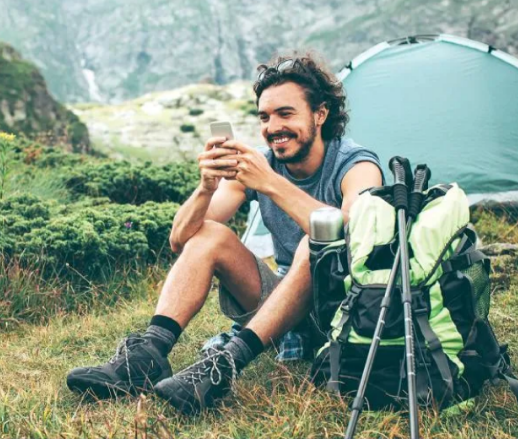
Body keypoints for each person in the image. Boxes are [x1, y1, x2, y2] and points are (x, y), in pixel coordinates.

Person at [66, 53, 384, 414]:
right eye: (264, 117)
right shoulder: (263, 163)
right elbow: (181, 239)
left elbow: (356, 233)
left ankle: (225, 364)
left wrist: (270, 183)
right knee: (210, 234)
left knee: (314, 243)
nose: (273, 127)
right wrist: (206, 187)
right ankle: (146, 356)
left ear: (320, 114)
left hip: (340, 309)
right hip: (284, 305)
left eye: (286, 114)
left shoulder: (356, 165)